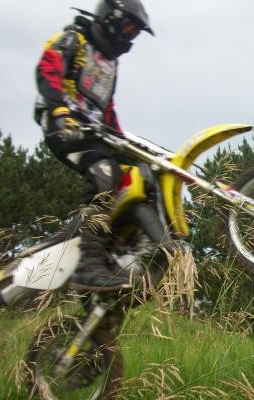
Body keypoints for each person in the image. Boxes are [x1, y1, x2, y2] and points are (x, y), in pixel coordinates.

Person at [34, 0, 154, 289]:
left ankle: (114, 250)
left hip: (93, 131)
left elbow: (106, 108)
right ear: (110, 18)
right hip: (63, 124)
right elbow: (48, 68)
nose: (129, 38)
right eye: (128, 29)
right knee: (105, 174)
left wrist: (124, 144)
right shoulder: (75, 39)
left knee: (138, 175)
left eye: (135, 33)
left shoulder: (111, 64)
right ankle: (87, 264)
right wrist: (59, 110)